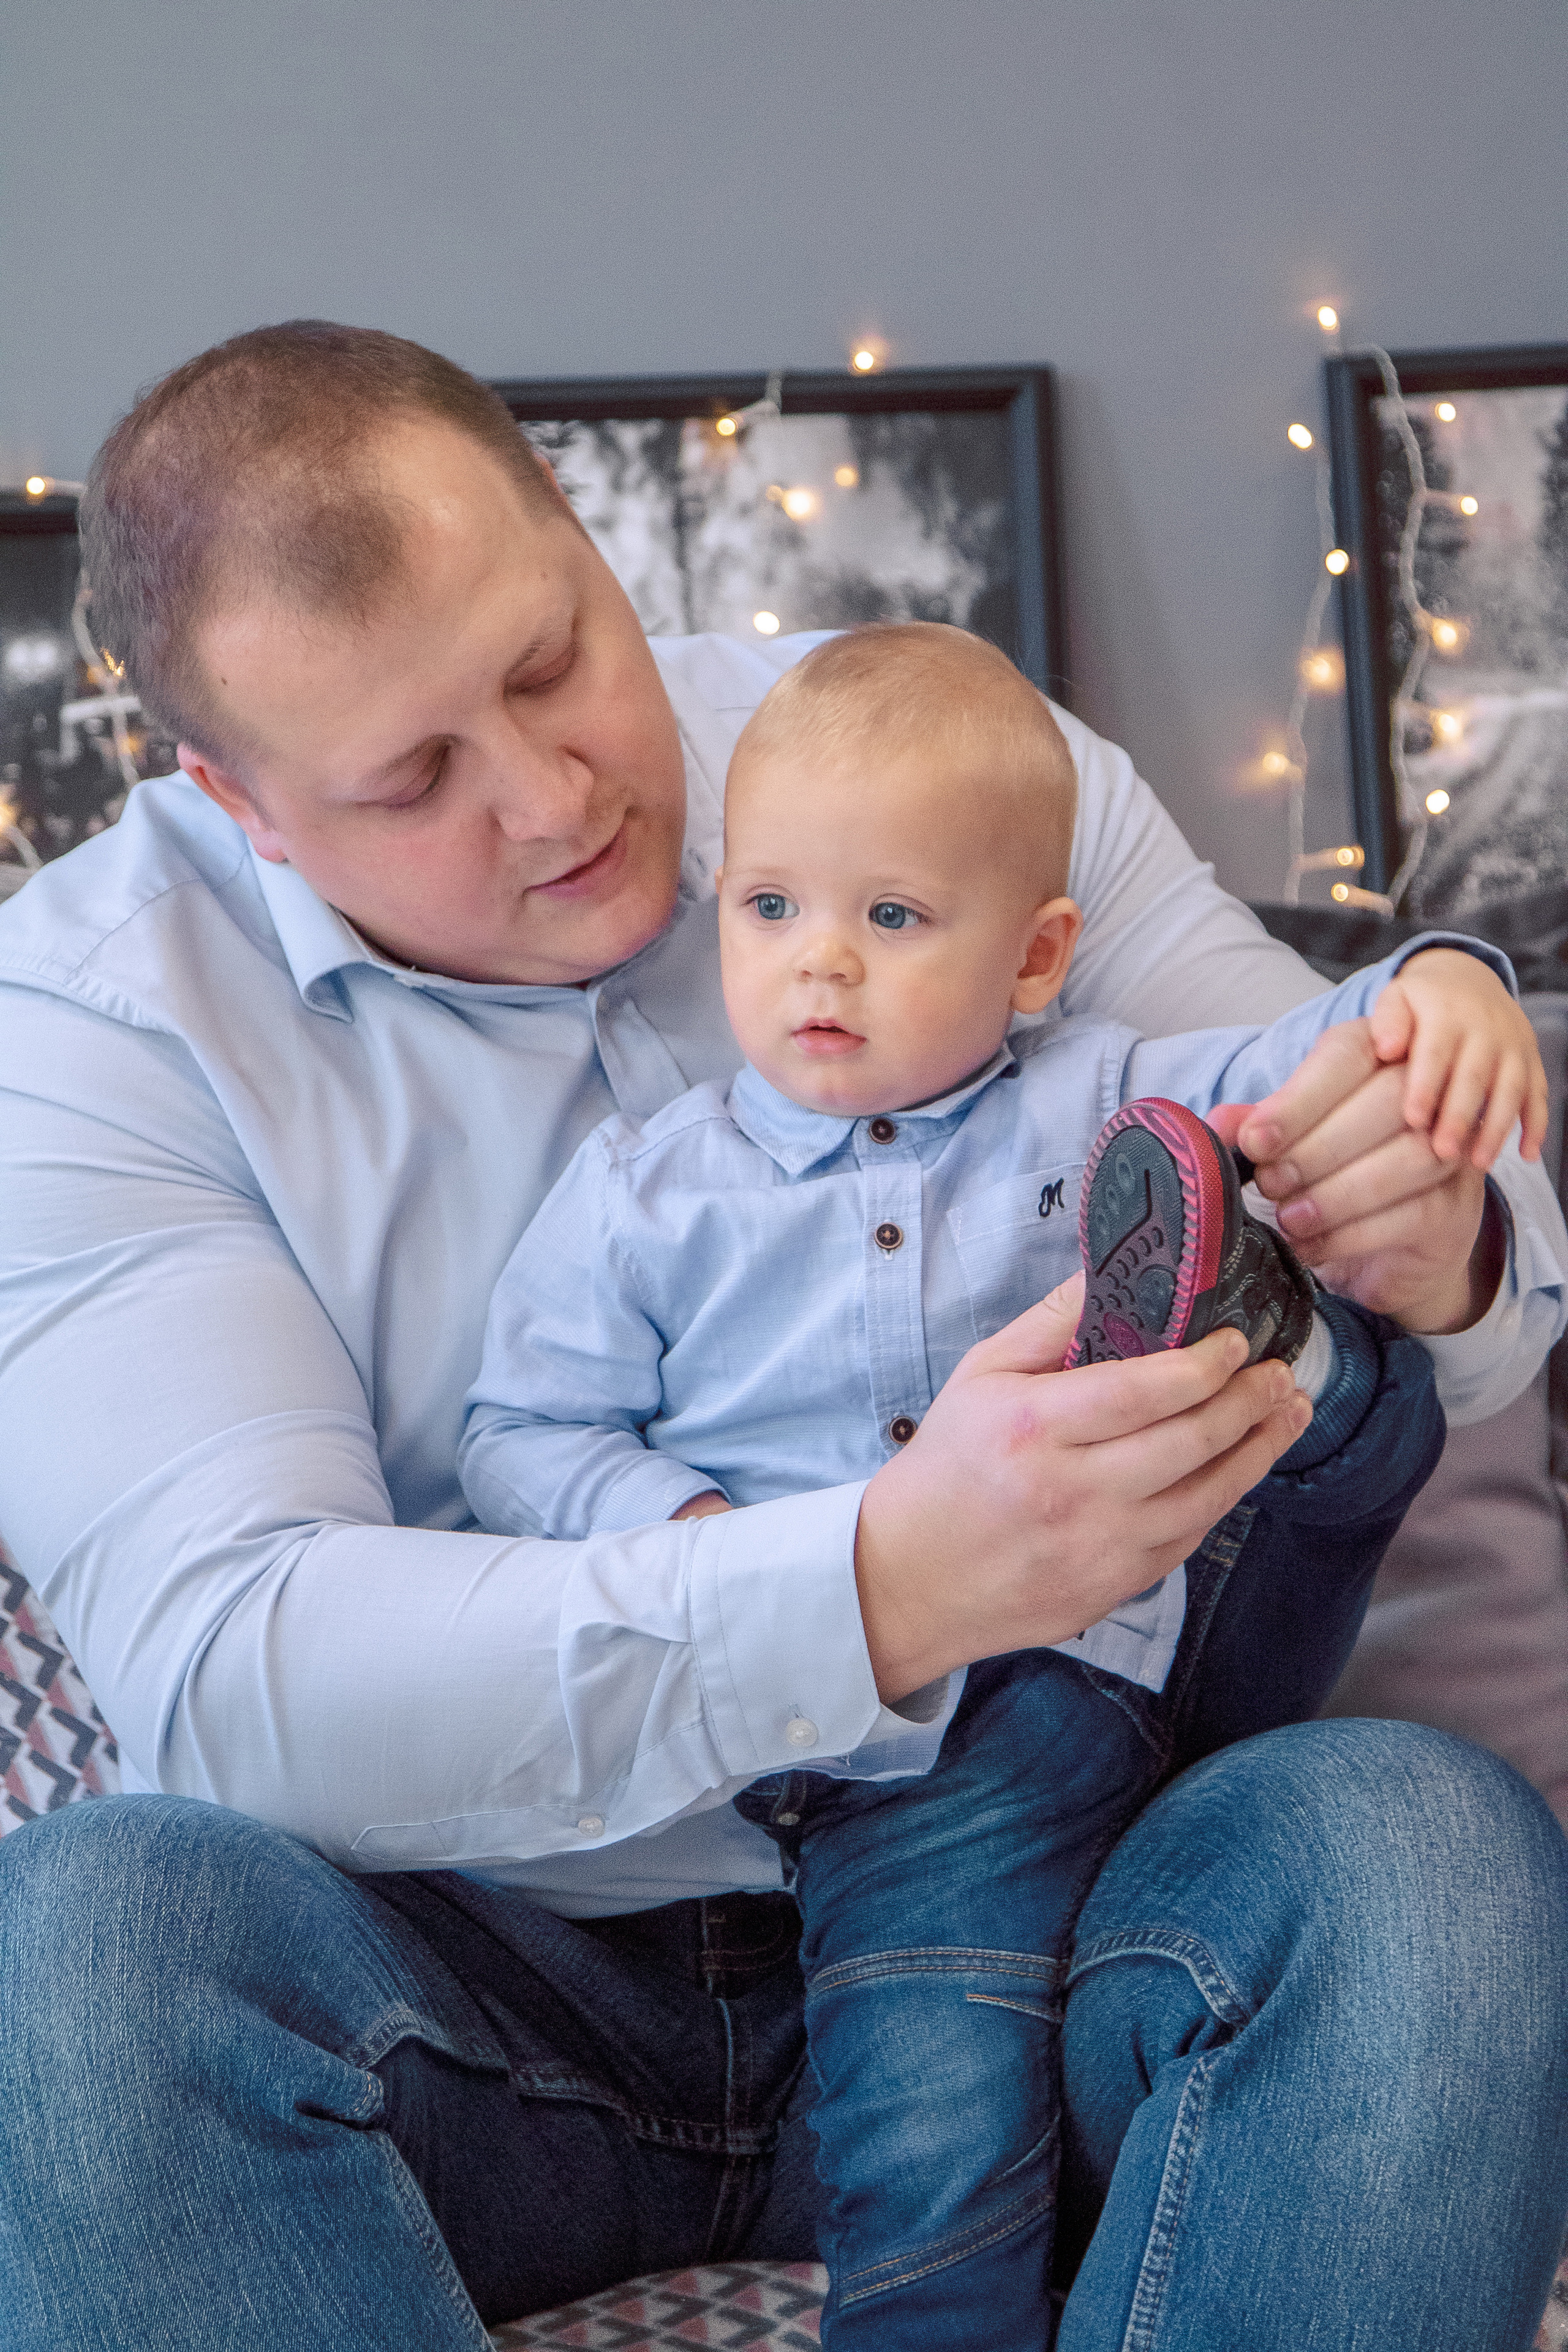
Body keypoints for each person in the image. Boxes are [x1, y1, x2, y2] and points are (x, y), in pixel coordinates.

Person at [0, 323, 1565, 2352]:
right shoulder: (85, 1034)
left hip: (1066, 1875)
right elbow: (237, 1676)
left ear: (578, 529)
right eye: (412, 781)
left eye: (553, 655)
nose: (557, 796)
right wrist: (878, 1579)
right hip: (502, 1979)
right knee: (87, 1946)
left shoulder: (938, 763)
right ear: (244, 804)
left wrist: (1432, 1220)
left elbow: (1370, 1158)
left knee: (1426, 1855)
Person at [455, 620, 1514, 2345]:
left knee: (1340, 1383)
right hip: (903, 1731)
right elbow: (523, 1438)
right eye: (773, 908)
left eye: (892, 919)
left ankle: (1278, 1340)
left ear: (1034, 957)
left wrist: (1445, 988)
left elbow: (1313, 1058)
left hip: (1152, 1647)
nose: (822, 968)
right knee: (933, 2086)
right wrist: (708, 1548)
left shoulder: (1100, 1094)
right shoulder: (647, 1196)